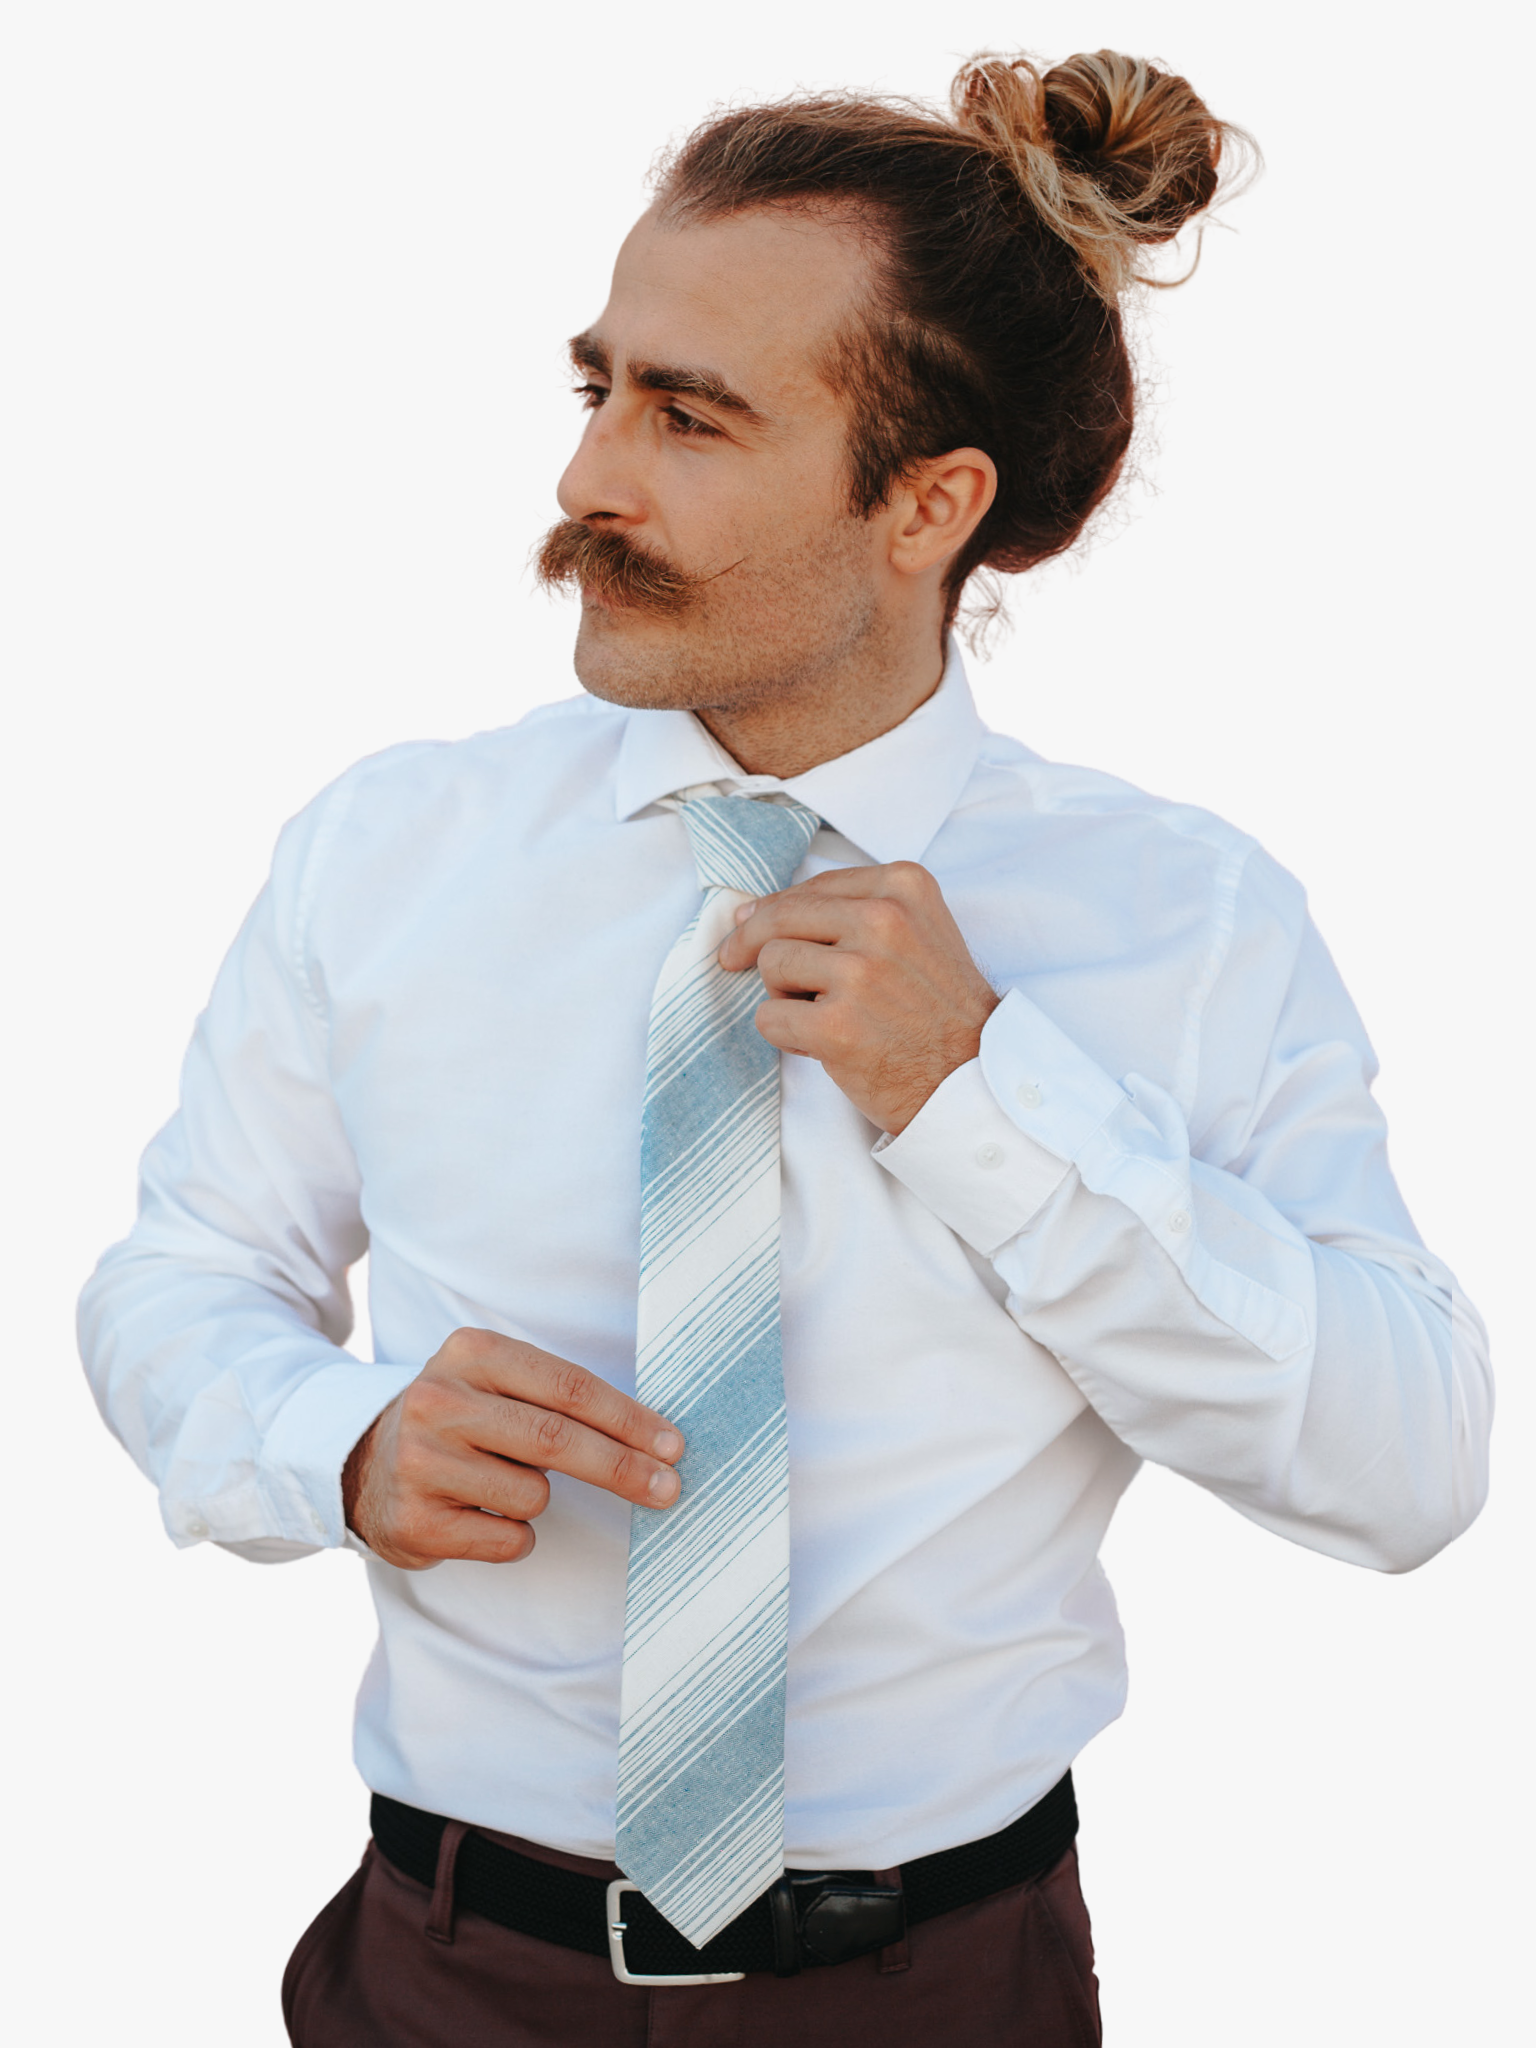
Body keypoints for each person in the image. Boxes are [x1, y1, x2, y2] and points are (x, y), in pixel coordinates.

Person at [78, 46, 1493, 2048]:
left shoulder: (1185, 923)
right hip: (445, 1975)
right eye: (599, 390)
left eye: (690, 415)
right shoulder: (393, 850)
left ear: (931, 503)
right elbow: (185, 1274)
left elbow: (1407, 1464)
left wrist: (987, 1096)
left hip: (944, 1986)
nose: (588, 482)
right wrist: (339, 1440)